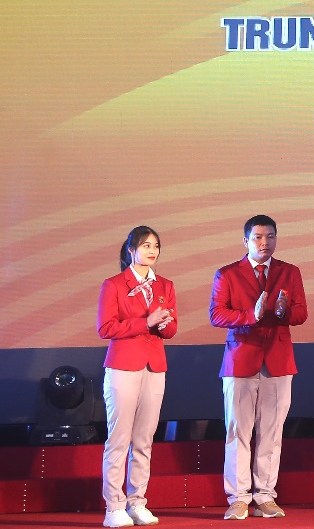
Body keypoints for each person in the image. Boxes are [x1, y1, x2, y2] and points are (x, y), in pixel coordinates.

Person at [210, 214, 308, 520]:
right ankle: (238, 497)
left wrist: (283, 312)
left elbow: (301, 313)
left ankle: (265, 495)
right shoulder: (227, 273)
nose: (264, 243)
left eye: (270, 237)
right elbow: (217, 315)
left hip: (278, 361)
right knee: (238, 431)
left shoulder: (289, 271)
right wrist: (250, 316)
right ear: (246, 241)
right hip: (240, 360)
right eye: (258, 237)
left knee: (271, 432)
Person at [98, 226, 178, 528]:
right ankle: (114, 507)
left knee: (144, 439)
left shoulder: (165, 285)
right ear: (131, 250)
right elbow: (106, 328)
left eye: (156, 246)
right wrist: (147, 322)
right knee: (119, 439)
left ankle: (137, 502)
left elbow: (171, 330)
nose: (152, 251)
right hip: (123, 366)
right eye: (146, 246)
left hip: (154, 366)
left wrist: (164, 323)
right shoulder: (114, 284)